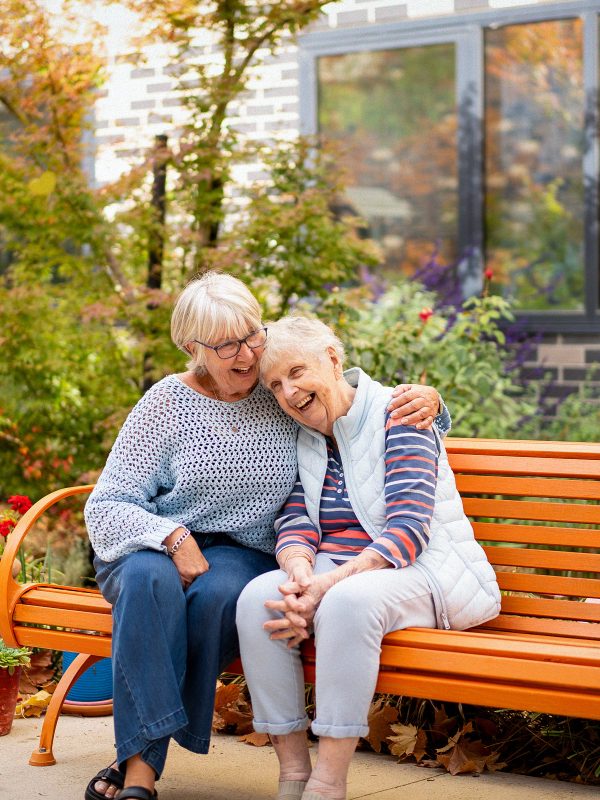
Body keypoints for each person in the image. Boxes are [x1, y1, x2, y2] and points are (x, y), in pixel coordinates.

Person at [83, 272, 447, 800]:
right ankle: (139, 771)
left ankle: (140, 753)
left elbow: (348, 393)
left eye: (253, 336)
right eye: (228, 345)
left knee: (218, 597)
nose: (248, 356)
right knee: (146, 584)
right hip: (152, 540)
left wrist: (434, 401)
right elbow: (107, 504)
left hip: (242, 552)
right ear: (194, 349)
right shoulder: (165, 404)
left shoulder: (281, 388)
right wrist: (171, 537)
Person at [236, 315, 501, 800]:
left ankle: (327, 782)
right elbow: (295, 520)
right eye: (275, 385)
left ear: (333, 360)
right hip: (340, 569)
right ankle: (292, 773)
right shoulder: (306, 435)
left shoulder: (399, 413)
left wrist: (325, 586)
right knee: (259, 598)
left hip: (423, 568)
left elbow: (408, 530)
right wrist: (298, 577)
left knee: (347, 603)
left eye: (297, 372)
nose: (289, 392)